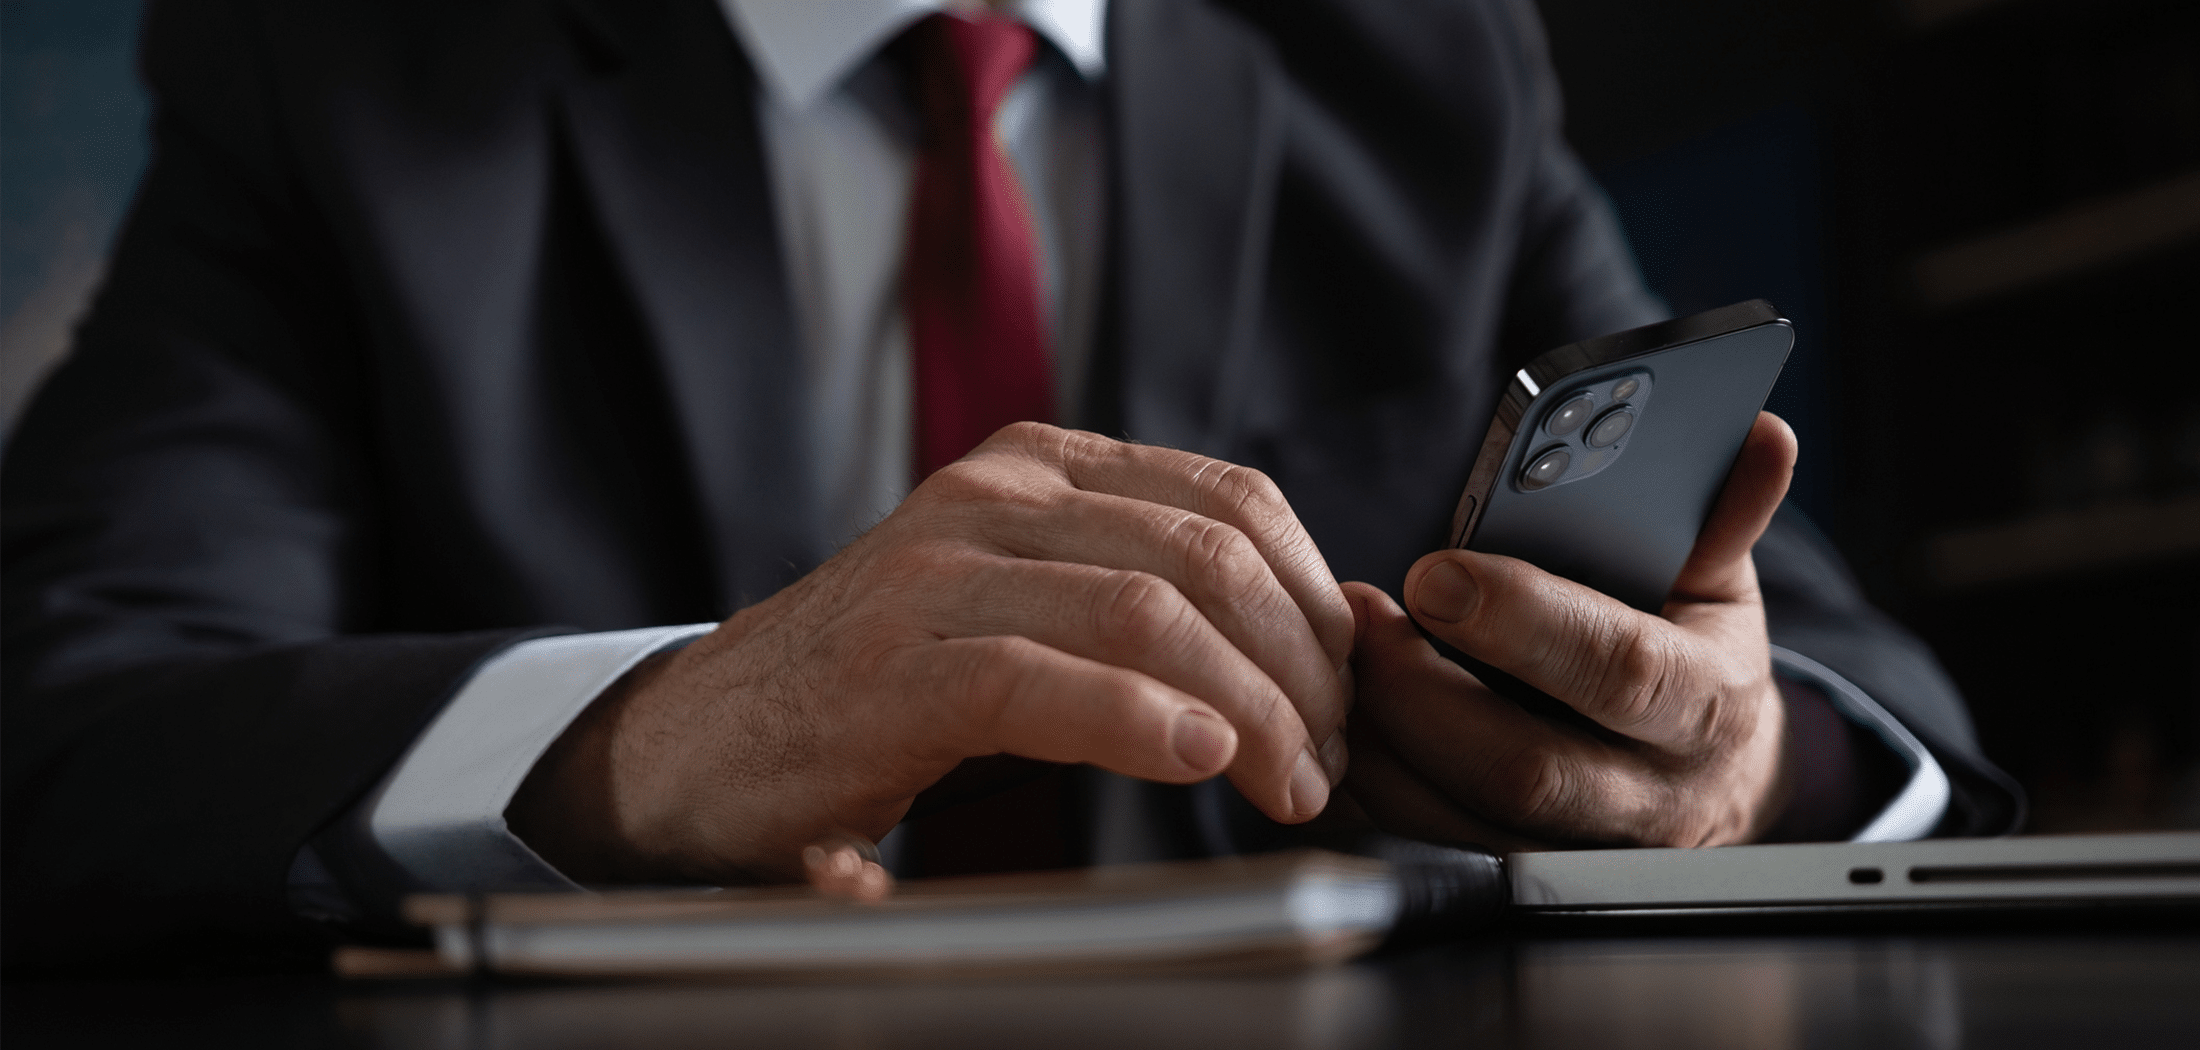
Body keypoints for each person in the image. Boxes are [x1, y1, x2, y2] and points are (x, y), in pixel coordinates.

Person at [0, 0, 2019, 971]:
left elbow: (1861, 705)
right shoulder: (337, 70)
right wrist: (655, 742)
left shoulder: (1418, 64)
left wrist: (1723, 767)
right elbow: (73, 722)